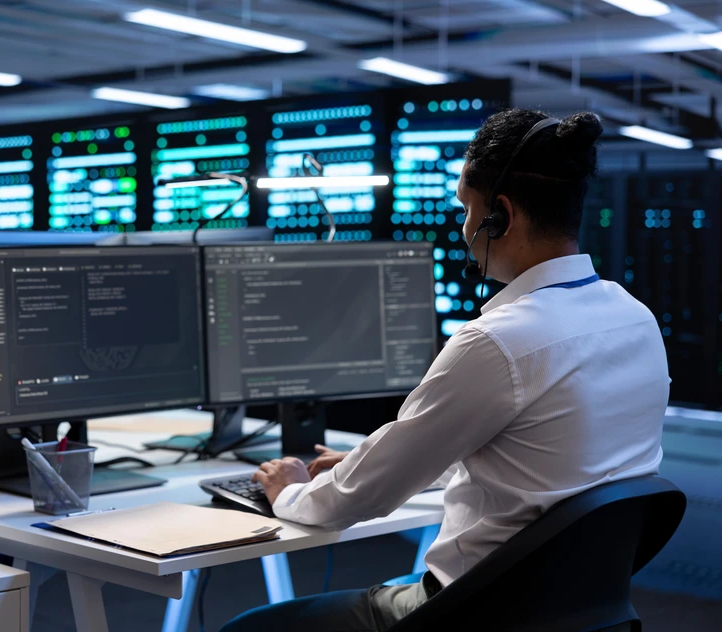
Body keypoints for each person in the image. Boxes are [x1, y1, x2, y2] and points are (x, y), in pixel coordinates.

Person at [223, 110, 669, 632]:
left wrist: (289, 490)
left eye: (466, 209)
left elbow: (357, 499)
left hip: (468, 614)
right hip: (582, 613)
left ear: (499, 215)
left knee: (246, 628)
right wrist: (389, 456)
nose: (463, 228)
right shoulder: (634, 319)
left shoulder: (498, 342)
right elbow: (543, 454)